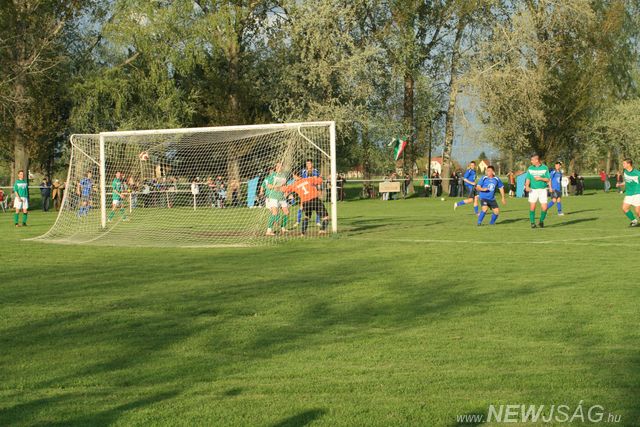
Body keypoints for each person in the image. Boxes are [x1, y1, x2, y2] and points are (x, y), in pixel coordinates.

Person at [261, 162, 290, 236]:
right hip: (273, 196)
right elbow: (268, 186)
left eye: (280, 166)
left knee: (286, 212)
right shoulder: (273, 175)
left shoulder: (283, 175)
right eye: (277, 166)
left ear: (282, 167)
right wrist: (275, 187)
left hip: (282, 197)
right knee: (275, 213)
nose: (279, 167)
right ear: (275, 167)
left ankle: (283, 228)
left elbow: (285, 185)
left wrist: (286, 191)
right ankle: (269, 231)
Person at [524, 154, 552, 228]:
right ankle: (532, 223)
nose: (531, 161)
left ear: (537, 160)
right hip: (533, 190)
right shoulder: (530, 168)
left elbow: (548, 179)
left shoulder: (545, 168)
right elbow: (528, 178)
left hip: (543, 190)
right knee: (532, 207)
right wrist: (527, 186)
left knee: (545, 208)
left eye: (532, 160)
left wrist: (540, 178)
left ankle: (541, 221)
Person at [616, 158, 640, 226]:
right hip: (629, 194)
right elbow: (627, 182)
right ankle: (634, 221)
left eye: (624, 163)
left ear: (629, 164)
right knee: (624, 208)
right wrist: (620, 184)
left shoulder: (637, 173)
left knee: (638, 212)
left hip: (637, 194)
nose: (623, 165)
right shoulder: (625, 172)